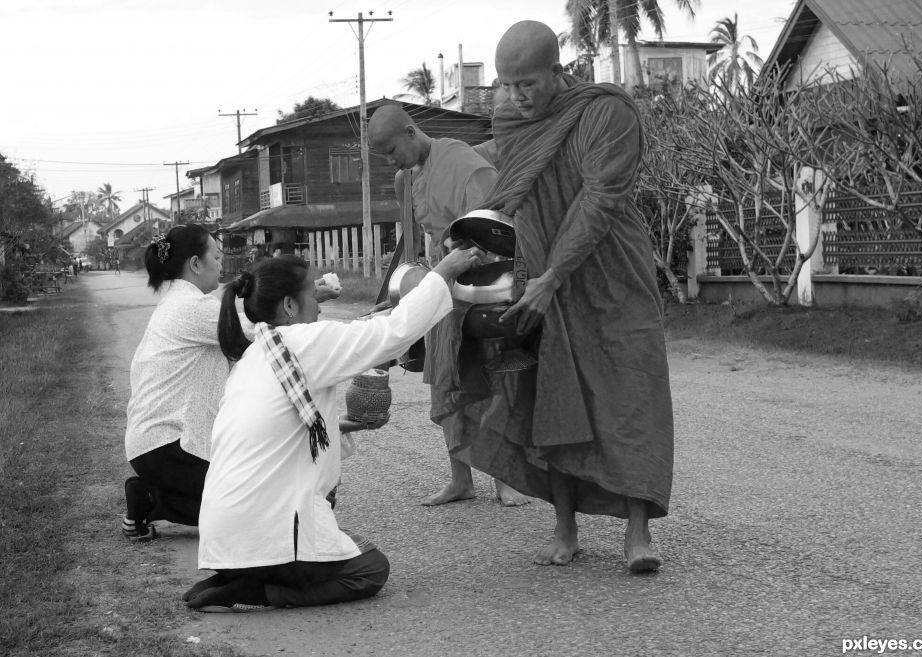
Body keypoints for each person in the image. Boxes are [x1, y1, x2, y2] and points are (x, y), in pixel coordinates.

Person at [437, 21, 674, 573]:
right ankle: (564, 527)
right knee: (548, 394)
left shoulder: (606, 112)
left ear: (557, 70)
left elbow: (600, 199)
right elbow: (511, 196)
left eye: (527, 85)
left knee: (630, 392)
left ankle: (638, 534)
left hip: (612, 276)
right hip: (537, 273)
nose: (516, 98)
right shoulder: (509, 121)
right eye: (506, 85)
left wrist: (554, 277)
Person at [183, 248, 481, 612]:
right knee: (370, 570)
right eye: (313, 294)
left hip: (228, 528)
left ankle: (240, 574)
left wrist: (340, 425)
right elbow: (392, 332)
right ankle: (256, 590)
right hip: (262, 526)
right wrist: (445, 270)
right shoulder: (303, 343)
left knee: (340, 539)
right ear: (290, 306)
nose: (320, 306)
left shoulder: (257, 353)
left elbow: (280, 431)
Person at [367, 104, 530, 508]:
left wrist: (462, 252)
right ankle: (461, 479)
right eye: (384, 156)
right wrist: (393, 293)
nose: (392, 162)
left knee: (491, 384)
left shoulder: (459, 161)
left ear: (410, 131)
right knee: (447, 385)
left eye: (391, 151)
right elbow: (411, 239)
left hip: (481, 283)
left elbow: (496, 224)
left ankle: (504, 479)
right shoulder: (405, 180)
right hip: (442, 287)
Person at [123, 224, 236, 541]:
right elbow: (257, 337)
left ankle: (148, 495)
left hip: (152, 445)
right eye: (216, 255)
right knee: (247, 506)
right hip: (168, 447)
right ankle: (151, 500)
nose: (221, 262)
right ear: (196, 264)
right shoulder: (194, 307)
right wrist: (302, 302)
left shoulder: (176, 302)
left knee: (240, 498)